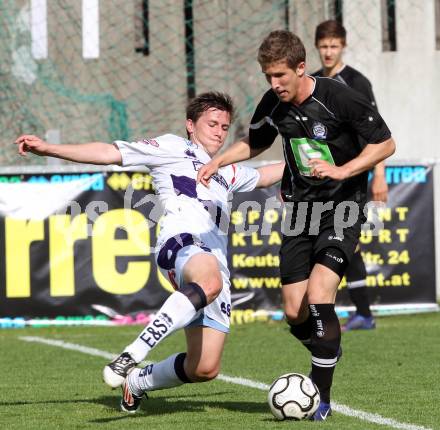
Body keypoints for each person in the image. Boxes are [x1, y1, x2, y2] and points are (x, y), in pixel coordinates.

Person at [15, 92, 285, 413]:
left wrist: (330, 156)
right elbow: (109, 152)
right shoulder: (172, 147)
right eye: (212, 123)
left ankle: (139, 381)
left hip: (214, 263)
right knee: (208, 281)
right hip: (180, 240)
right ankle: (132, 353)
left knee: (204, 367)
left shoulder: (225, 170)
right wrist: (49, 148)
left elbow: (268, 173)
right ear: (190, 125)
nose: (219, 132)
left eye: (225, 127)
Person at [197, 31, 395, 420]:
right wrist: (220, 160)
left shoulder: (340, 97)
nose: (274, 84)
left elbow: (385, 143)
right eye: (268, 76)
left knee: (321, 295)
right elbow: (254, 142)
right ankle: (327, 349)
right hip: (302, 212)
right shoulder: (274, 102)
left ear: (300, 68)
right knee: (294, 312)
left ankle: (321, 397)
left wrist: (344, 170)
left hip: (343, 208)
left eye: (280, 76)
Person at [313, 20, 389, 331]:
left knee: (346, 242)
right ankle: (354, 313)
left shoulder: (357, 82)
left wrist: (379, 175)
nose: (329, 52)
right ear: (317, 47)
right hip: (319, 178)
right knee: (329, 243)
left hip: (351, 175)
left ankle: (362, 313)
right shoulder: (312, 81)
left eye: (334, 46)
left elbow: (378, 132)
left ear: (343, 46)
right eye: (324, 46)